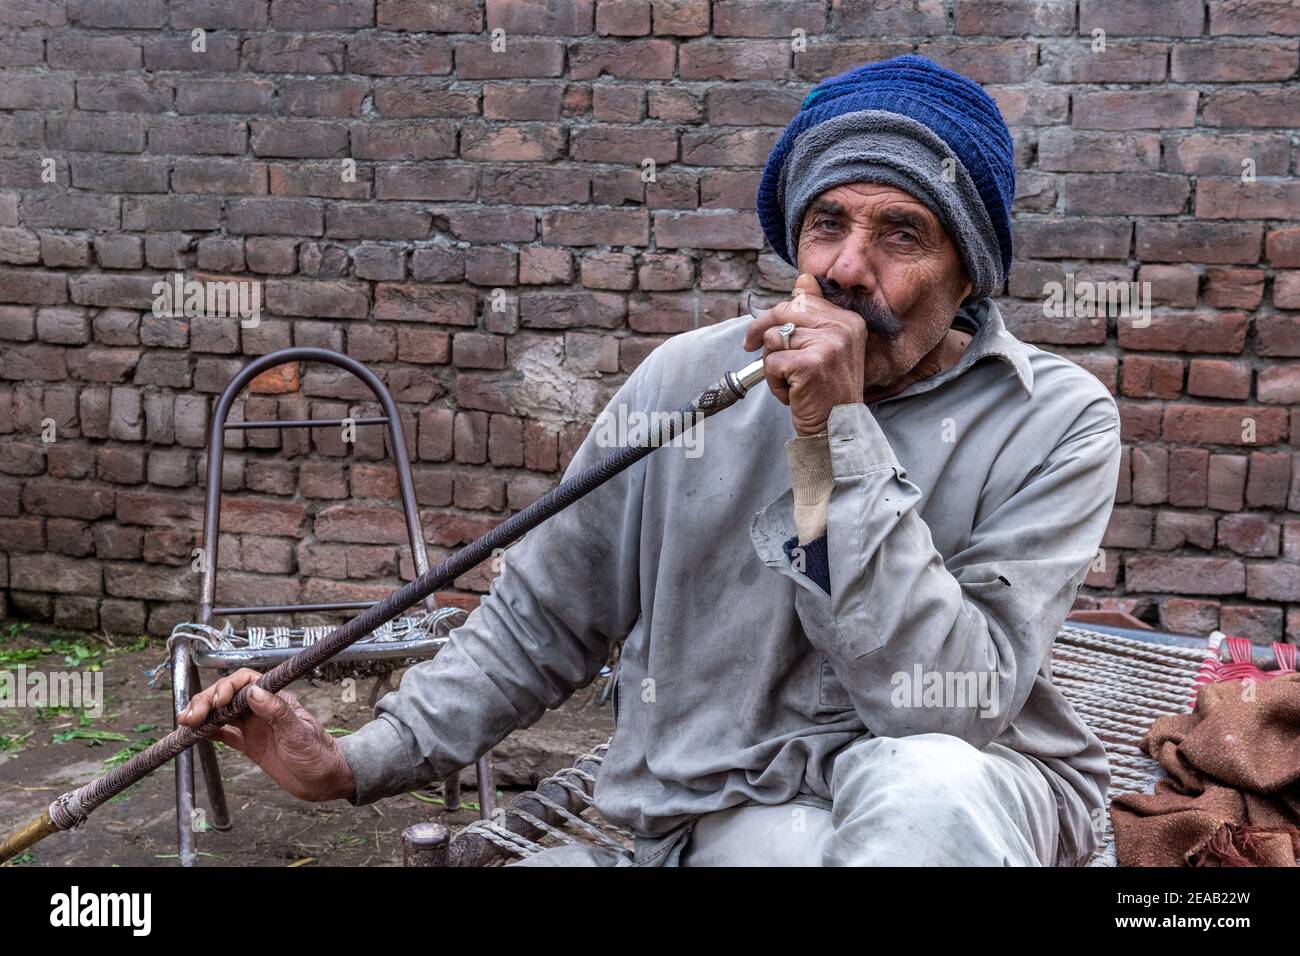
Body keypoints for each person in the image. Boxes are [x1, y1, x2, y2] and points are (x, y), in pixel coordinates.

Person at [181, 55, 1121, 867]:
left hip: (972, 796)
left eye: (901, 234)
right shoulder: (690, 381)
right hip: (736, 813)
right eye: (826, 224)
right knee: (774, 846)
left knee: (924, 783)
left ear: (971, 268)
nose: (844, 268)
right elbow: (543, 616)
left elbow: (951, 712)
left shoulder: (1056, 419)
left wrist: (834, 436)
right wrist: (354, 761)